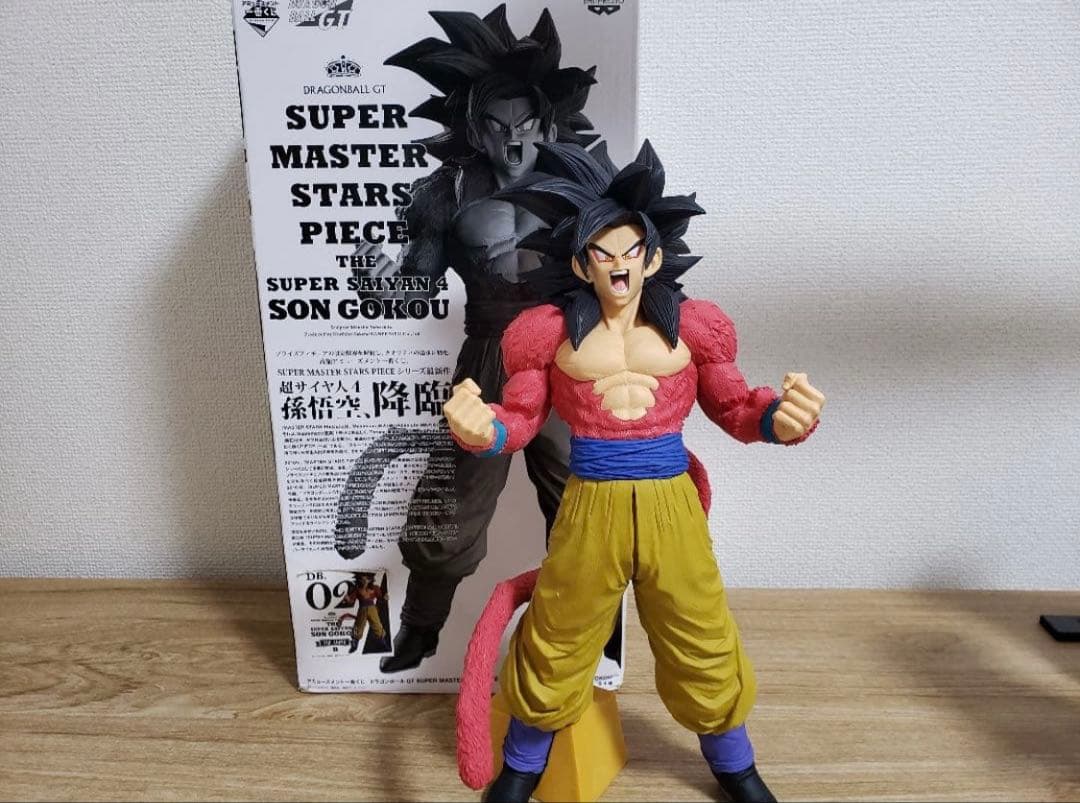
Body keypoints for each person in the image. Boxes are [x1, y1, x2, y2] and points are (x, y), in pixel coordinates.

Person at [444, 140, 826, 802]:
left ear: (652, 256)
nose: (618, 264)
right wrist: (485, 429)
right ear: (579, 261)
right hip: (589, 503)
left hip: (670, 502)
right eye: (602, 252)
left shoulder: (695, 327)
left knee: (700, 631)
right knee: (559, 633)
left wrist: (779, 419)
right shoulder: (546, 332)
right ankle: (522, 766)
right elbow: (523, 419)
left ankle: (736, 764)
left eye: (630, 250)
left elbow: (735, 407)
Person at [334, 5, 602, 675]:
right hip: (486, 357)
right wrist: (378, 280)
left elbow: (630, 272)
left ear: (546, 122)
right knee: (451, 503)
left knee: (585, 501)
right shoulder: (445, 194)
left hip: (569, 353)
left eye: (525, 124)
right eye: (498, 125)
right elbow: (413, 288)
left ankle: (592, 636)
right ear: (474, 127)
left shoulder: (586, 185)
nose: (513, 141)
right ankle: (420, 633)